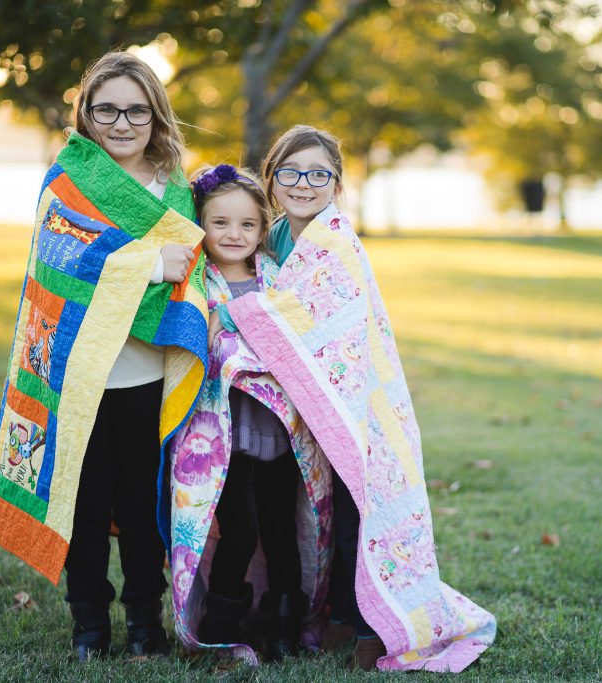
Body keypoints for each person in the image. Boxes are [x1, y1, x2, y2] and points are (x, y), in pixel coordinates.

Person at [223, 125, 496, 672]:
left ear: (336, 183)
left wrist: (242, 318)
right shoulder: (268, 237)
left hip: (358, 405)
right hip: (294, 409)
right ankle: (307, 612)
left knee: (357, 516)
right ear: (272, 177)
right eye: (291, 172)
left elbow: (313, 322)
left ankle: (369, 628)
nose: (304, 184)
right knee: (303, 516)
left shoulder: (338, 242)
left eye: (318, 174)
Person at [0, 51, 210, 663]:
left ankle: (144, 623)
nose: (122, 121)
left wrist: (166, 270)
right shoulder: (68, 180)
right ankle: (88, 625)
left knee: (140, 508)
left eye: (136, 109)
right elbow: (60, 259)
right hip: (76, 375)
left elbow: (194, 271)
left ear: (156, 116)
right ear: (86, 115)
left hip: (147, 375)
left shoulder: (174, 188)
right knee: (82, 507)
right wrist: (146, 264)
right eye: (106, 108)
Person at [190, 164, 307, 660]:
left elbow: (296, 339)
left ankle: (283, 626)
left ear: (263, 228)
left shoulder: (276, 280)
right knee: (237, 529)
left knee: (282, 528)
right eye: (220, 223)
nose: (233, 234)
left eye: (246, 224)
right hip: (221, 437)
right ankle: (220, 626)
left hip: (277, 431)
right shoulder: (197, 282)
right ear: (201, 224)